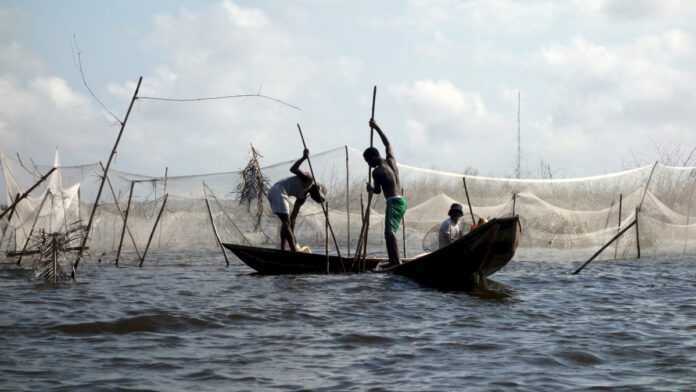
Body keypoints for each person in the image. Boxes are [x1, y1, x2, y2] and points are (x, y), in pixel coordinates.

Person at [364, 119, 408, 266]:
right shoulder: (391, 161)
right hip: (401, 200)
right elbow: (387, 143)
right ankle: (393, 260)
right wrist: (376, 127)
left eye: (368, 162)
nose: (369, 166)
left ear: (372, 158)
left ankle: (395, 262)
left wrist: (370, 188)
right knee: (389, 232)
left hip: (393, 202)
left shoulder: (377, 172)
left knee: (389, 233)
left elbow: (377, 191)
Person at [267, 149, 326, 251]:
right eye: (317, 197)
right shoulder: (309, 180)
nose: (315, 199)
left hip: (278, 193)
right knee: (286, 222)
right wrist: (303, 158)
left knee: (287, 222)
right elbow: (293, 169)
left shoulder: (302, 198)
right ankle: (293, 250)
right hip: (278, 191)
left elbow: (293, 218)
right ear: (317, 189)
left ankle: (283, 248)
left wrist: (293, 235)